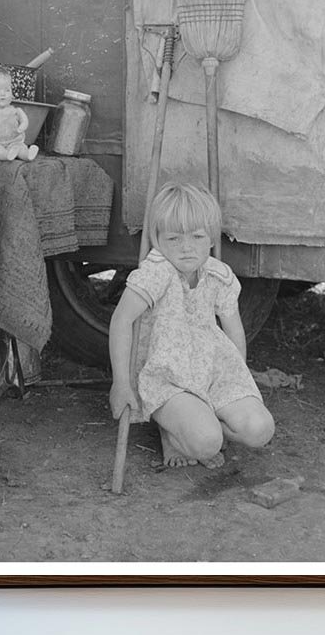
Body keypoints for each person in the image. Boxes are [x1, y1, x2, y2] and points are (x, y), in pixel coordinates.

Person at [108, 182, 275, 468]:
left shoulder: (218, 274)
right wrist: (121, 383)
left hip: (211, 370)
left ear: (211, 237)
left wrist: (238, 376)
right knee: (206, 442)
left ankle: (201, 425)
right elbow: (122, 320)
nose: (187, 248)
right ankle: (176, 434)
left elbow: (233, 329)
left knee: (260, 429)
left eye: (197, 236)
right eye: (174, 238)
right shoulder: (156, 273)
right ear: (157, 239)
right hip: (168, 377)